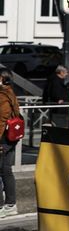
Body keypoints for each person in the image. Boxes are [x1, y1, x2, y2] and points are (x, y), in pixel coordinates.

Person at [0, 69, 19, 217]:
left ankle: (2, 206)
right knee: (6, 170)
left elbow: (1, 120)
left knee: (3, 171)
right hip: (10, 138)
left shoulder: (3, 96)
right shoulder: (10, 92)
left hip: (3, 139)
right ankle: (10, 204)